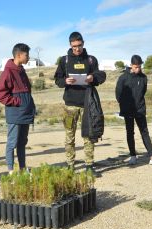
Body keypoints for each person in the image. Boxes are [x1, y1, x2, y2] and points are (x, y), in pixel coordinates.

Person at [54, 31, 106, 173]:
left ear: (83, 43)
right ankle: (70, 165)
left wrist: (92, 78)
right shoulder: (64, 60)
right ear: (70, 45)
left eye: (79, 45)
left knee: (88, 136)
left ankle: (89, 165)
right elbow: (57, 79)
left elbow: (101, 76)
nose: (77, 49)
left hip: (87, 105)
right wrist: (65, 81)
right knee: (69, 136)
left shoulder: (91, 60)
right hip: (70, 105)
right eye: (74, 46)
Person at [115, 55, 152, 166]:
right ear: (131, 65)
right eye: (136, 67)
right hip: (127, 110)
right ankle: (132, 155)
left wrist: (138, 103)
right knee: (130, 132)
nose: (138, 69)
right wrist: (125, 105)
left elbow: (143, 91)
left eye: (139, 66)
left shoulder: (143, 77)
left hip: (140, 109)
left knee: (144, 132)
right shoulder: (123, 77)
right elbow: (118, 94)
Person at [0, 43, 36, 174]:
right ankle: (11, 171)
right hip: (15, 113)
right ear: (19, 55)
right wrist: (16, 101)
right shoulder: (8, 71)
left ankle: (23, 169)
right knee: (12, 143)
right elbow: (0, 94)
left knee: (22, 143)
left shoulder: (22, 70)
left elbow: (27, 91)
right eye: (27, 55)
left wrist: (29, 105)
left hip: (25, 113)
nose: (28, 57)